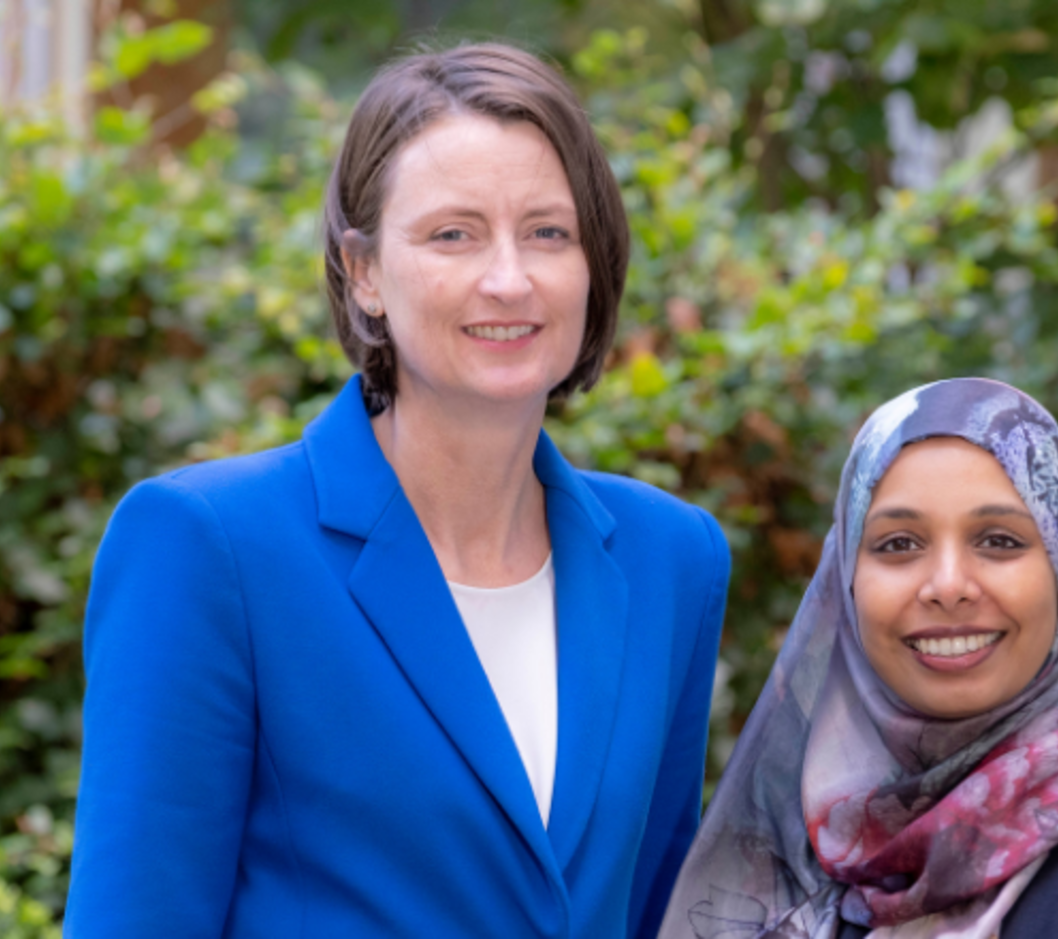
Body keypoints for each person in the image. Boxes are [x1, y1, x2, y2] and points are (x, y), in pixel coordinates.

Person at [64, 43, 731, 938]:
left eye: (548, 232)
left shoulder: (673, 558)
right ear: (364, 272)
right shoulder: (209, 545)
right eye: (453, 234)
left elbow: (658, 910)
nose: (510, 277)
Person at [658, 379, 1058, 939]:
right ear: (846, 584)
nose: (948, 585)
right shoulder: (788, 847)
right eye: (899, 544)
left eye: (999, 541)